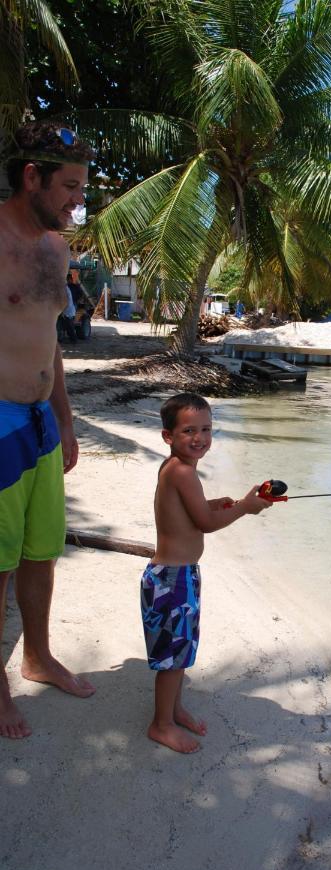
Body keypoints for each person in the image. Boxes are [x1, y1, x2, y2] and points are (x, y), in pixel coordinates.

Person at [0, 120, 96, 739]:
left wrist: (64, 416)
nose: (76, 202)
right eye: (68, 187)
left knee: (41, 552)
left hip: (39, 421)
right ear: (30, 177)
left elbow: (49, 342)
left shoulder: (57, 250)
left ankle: (36, 655)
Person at [141, 392, 273, 754]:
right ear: (168, 436)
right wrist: (245, 507)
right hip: (171, 581)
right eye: (188, 431)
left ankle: (174, 709)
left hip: (178, 577)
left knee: (179, 653)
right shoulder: (182, 472)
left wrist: (219, 503)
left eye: (206, 429)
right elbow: (204, 523)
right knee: (172, 658)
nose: (199, 438)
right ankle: (161, 724)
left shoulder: (176, 468)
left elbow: (189, 513)